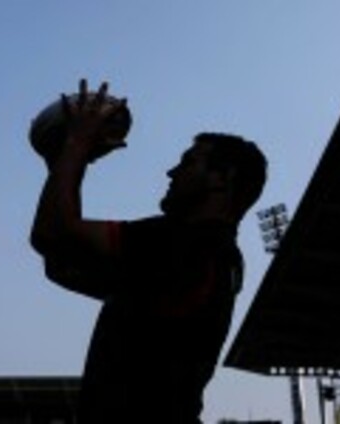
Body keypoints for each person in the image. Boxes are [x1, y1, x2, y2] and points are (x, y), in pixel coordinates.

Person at [29, 80, 267, 423]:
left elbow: (53, 234)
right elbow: (61, 264)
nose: (172, 172)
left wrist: (76, 144)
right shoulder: (212, 256)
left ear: (222, 179)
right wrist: (66, 162)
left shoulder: (180, 241)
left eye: (189, 162)